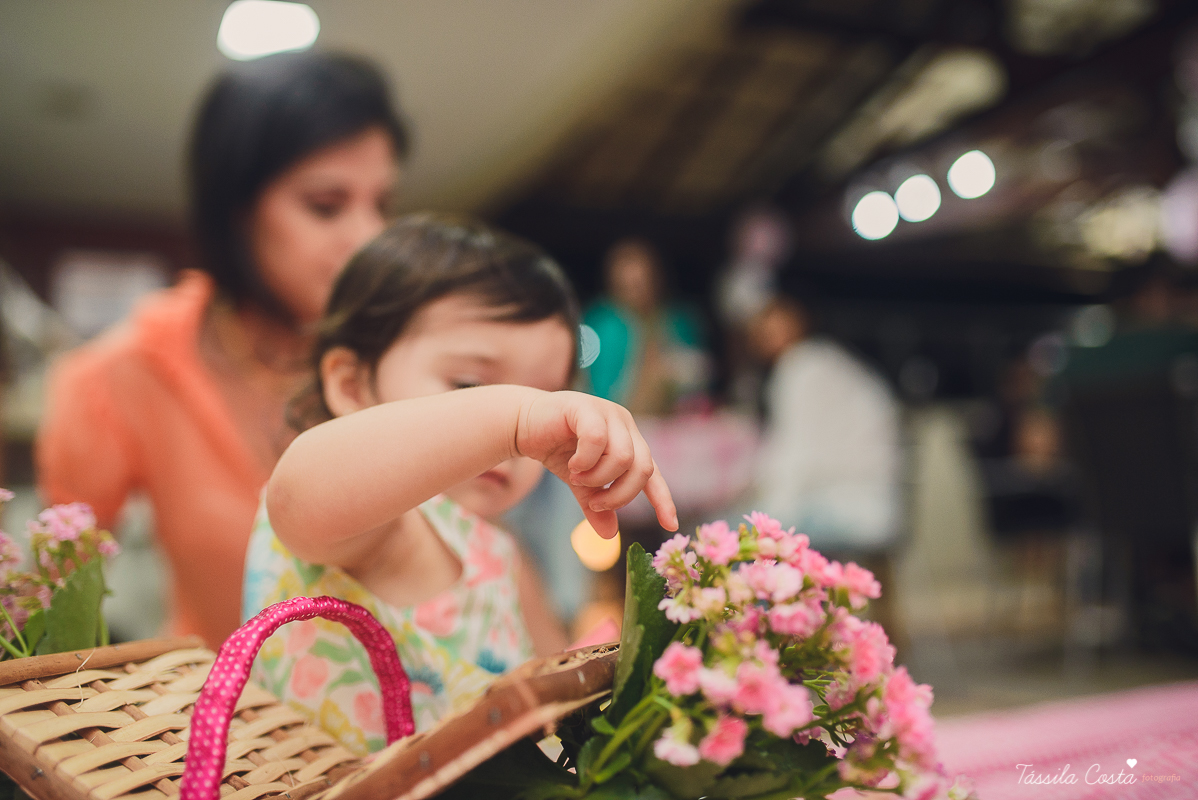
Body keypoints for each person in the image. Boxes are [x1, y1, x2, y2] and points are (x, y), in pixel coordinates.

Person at [242, 215, 677, 753]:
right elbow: (298, 496)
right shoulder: (378, 523)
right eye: (470, 385)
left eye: (543, 396)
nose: (518, 430)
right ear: (352, 386)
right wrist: (513, 419)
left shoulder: (504, 556)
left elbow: (561, 707)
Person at [36, 52, 408, 648]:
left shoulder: (404, 351)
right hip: (225, 726)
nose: (369, 238)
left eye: (382, 205)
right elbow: (49, 614)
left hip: (417, 722)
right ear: (235, 210)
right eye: (326, 205)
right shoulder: (122, 374)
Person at [746, 296, 901, 550]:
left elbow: (795, 453)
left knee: (728, 535)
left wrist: (765, 510)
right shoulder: (825, 360)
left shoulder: (801, 367)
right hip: (876, 501)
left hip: (846, 508)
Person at [583, 239, 707, 416]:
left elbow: (698, 382)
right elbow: (596, 392)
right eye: (626, 287)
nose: (636, 295)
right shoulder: (603, 326)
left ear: (657, 280)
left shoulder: (677, 322)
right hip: (619, 418)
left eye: (641, 284)